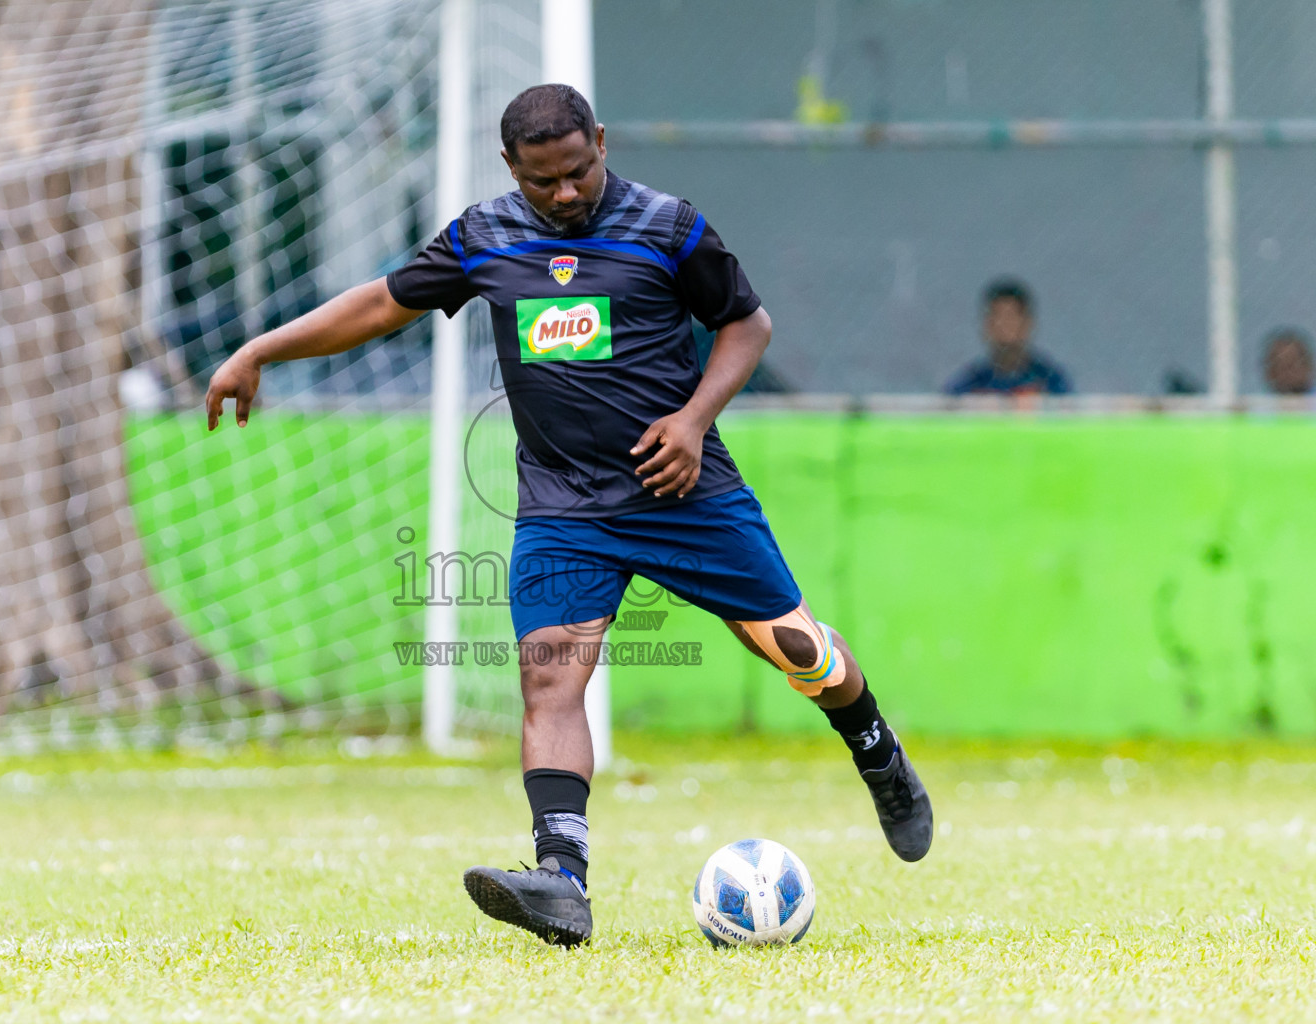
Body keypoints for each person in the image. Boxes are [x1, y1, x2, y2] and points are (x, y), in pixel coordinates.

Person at [205, 85, 932, 946]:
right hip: (561, 506)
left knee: (801, 652)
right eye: (543, 180)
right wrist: (260, 350)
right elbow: (377, 303)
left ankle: (877, 750)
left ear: (600, 141)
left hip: (681, 493)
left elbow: (747, 325)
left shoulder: (669, 227)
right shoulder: (483, 238)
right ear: (512, 168)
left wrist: (694, 422)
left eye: (578, 172)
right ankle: (561, 880)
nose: (564, 194)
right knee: (550, 677)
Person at [945, 278, 1072, 396]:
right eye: (997, 316)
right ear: (986, 325)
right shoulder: (970, 382)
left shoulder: (1049, 381)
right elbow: (945, 410)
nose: (1004, 325)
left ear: (1028, 323)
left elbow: (1069, 412)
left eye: (1011, 317)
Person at [1262, 328, 1314, 396]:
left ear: (1307, 366)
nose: (1286, 372)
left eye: (1292, 364)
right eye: (1279, 365)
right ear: (1270, 372)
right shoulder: (1259, 403)